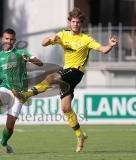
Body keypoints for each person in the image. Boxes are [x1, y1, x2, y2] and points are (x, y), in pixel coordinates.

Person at [13, 8, 118, 152]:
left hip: (76, 72)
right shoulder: (63, 35)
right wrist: (50, 39)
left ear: (81, 24)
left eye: (78, 22)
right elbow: (43, 43)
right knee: (65, 108)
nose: (75, 24)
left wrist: (110, 45)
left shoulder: (86, 39)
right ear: (69, 23)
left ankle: (26, 95)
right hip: (67, 73)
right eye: (73, 22)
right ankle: (80, 135)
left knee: (51, 77)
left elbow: (103, 49)